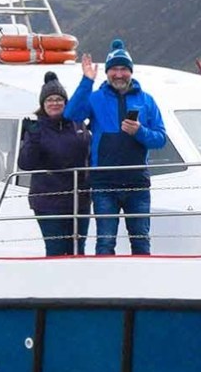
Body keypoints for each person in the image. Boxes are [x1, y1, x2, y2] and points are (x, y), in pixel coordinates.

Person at [66, 38, 167, 255]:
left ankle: (143, 287)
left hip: (137, 182)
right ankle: (104, 286)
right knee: (105, 242)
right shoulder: (95, 98)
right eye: (114, 69)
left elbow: (160, 139)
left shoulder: (147, 100)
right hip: (104, 182)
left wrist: (139, 131)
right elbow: (71, 114)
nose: (119, 74)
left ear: (131, 71)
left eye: (124, 69)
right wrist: (86, 81)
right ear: (107, 72)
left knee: (141, 242)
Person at [18, 72, 90, 257]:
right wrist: (32, 138)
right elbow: (26, 164)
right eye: (49, 99)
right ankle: (54, 284)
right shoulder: (37, 129)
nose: (55, 103)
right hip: (49, 199)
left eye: (59, 99)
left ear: (66, 102)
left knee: (78, 249)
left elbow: (89, 153)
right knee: (56, 249)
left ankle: (78, 285)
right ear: (43, 104)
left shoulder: (78, 124)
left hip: (78, 198)